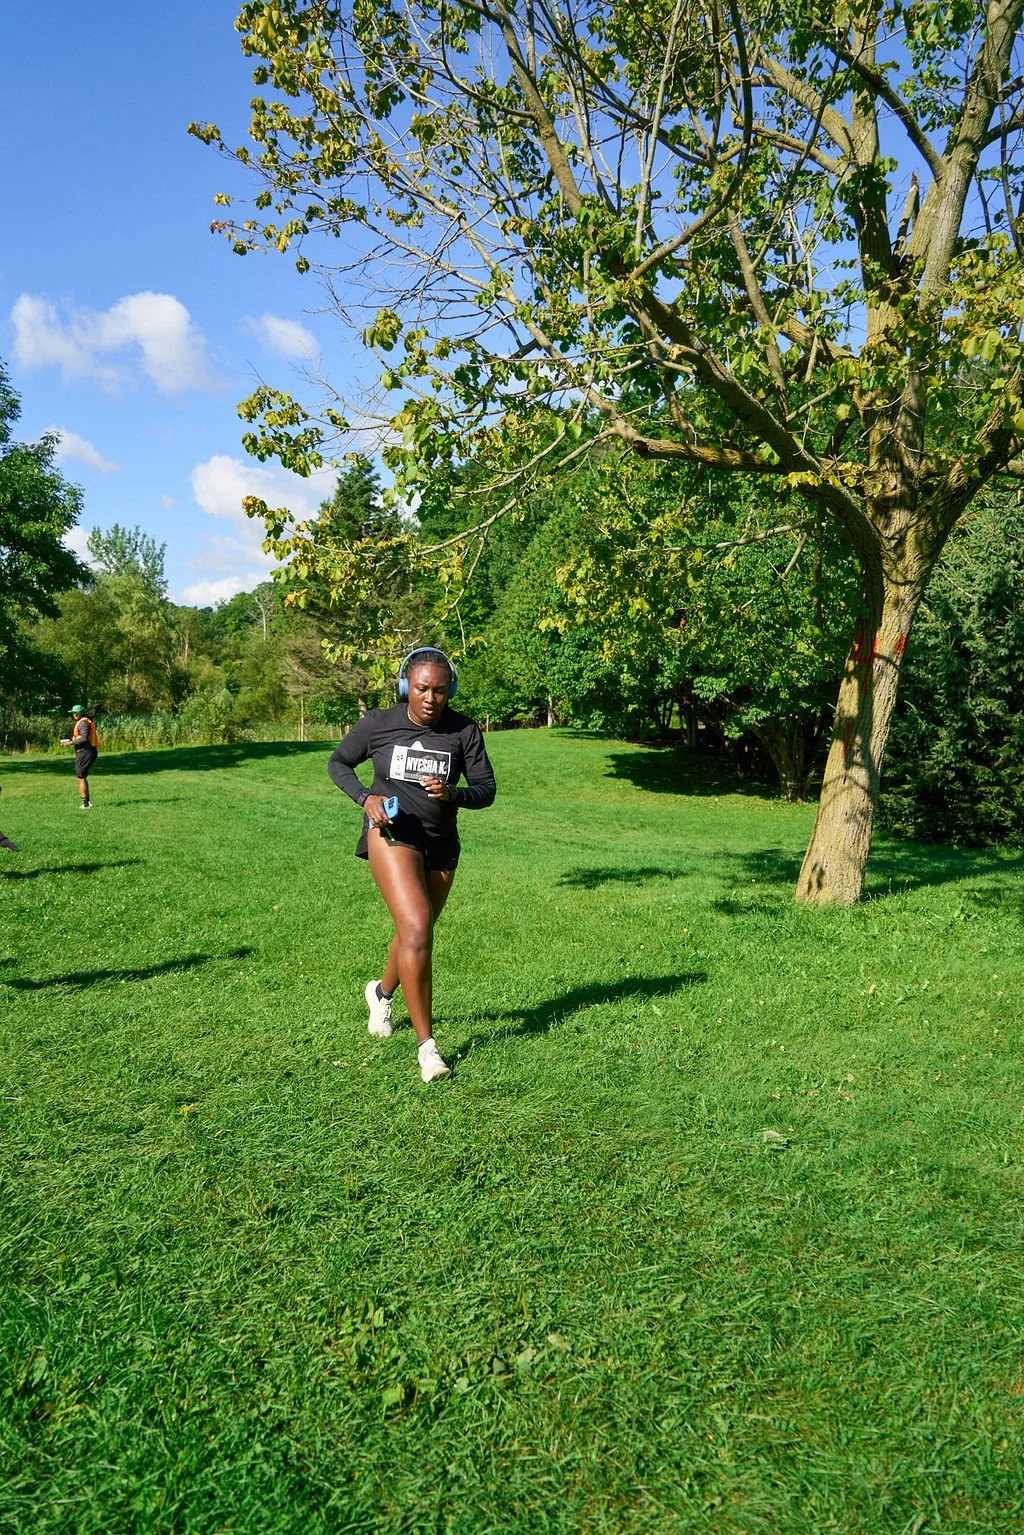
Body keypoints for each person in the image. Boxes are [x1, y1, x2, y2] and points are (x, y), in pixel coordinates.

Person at [328, 647, 496, 1082]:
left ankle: (381, 992)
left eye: (440, 690)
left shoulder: (464, 731)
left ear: (449, 691)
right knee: (418, 926)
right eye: (422, 688)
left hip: (441, 844)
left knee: (413, 932)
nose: (430, 698)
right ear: (406, 686)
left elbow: (486, 790)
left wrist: (453, 793)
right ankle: (428, 1048)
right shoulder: (378, 724)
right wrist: (367, 798)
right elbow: (339, 763)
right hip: (391, 834)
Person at [59, 706, 98, 809]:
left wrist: (70, 743)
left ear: (82, 713)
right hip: (86, 752)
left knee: (80, 777)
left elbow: (84, 738)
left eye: (77, 713)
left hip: (85, 752)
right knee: (82, 776)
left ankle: (86, 804)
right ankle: (87, 802)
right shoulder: (84, 721)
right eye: (73, 713)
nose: (74, 714)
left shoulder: (83, 723)